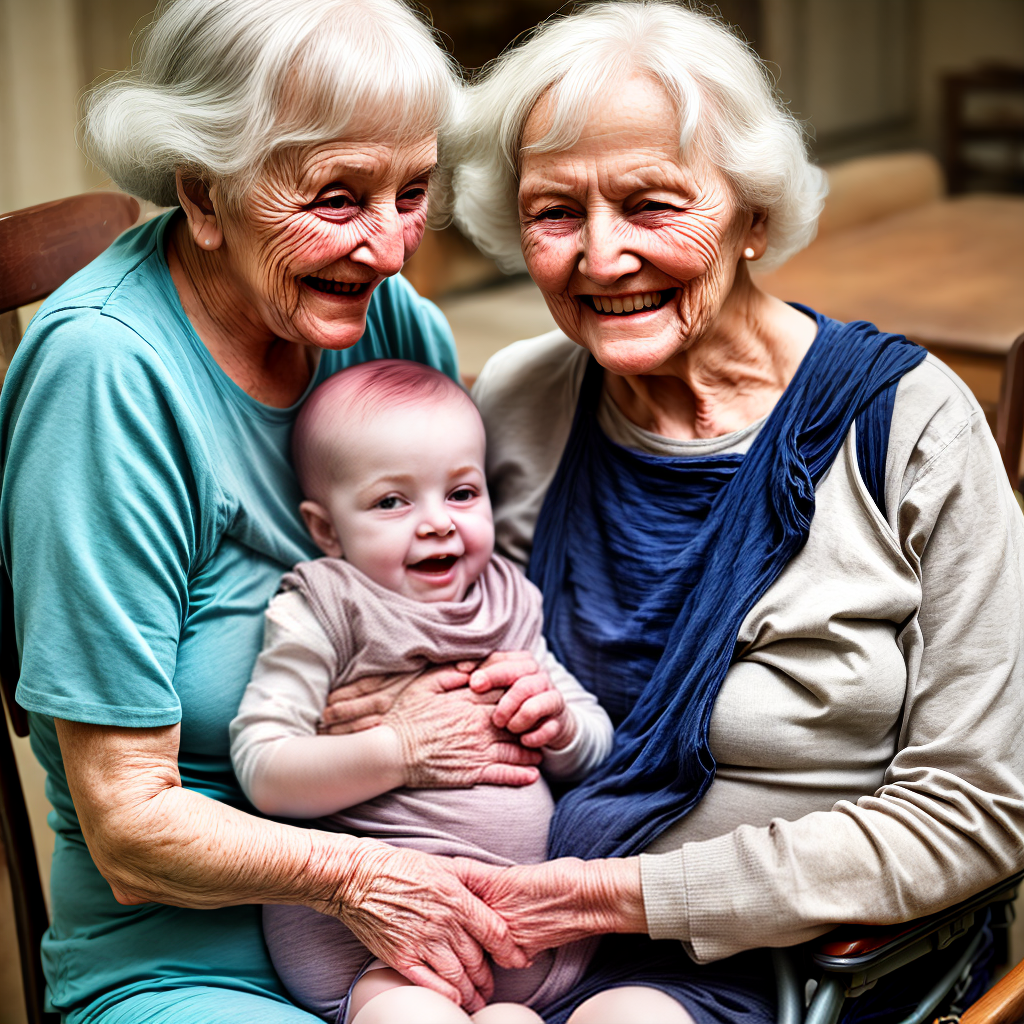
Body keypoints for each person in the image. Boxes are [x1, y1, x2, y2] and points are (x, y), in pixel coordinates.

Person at [318, 4, 1024, 1022]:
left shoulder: (910, 426)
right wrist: (383, 697)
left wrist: (630, 896)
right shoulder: (517, 399)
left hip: (815, 963)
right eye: (556, 213)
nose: (601, 259)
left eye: (650, 206)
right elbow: (429, 629)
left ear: (750, 216)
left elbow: (982, 808)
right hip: (522, 926)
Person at [0, 3, 558, 1021]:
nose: (390, 249)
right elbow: (127, 827)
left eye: (413, 192)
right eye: (339, 198)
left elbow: (461, 606)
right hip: (192, 957)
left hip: (437, 915)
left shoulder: (384, 319)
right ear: (205, 197)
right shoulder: (106, 380)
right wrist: (358, 875)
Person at [229, 359, 613, 1024]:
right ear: (326, 530)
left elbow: (597, 744)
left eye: (461, 493)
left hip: (523, 935)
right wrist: (401, 750)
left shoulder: (510, 599)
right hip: (377, 952)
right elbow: (264, 768)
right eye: (391, 502)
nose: (437, 523)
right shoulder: (324, 606)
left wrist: (560, 725)